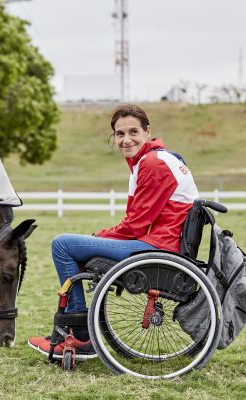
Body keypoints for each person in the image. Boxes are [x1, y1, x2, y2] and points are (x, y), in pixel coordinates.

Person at [28, 104, 199, 360]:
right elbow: (136, 221)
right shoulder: (154, 160)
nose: (126, 140)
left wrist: (101, 235)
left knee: (62, 244)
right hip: (158, 243)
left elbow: (135, 225)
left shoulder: (153, 164)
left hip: (156, 247)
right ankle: (77, 329)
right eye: (120, 134)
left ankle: (81, 334)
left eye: (133, 132)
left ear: (147, 131)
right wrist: (105, 235)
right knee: (73, 245)